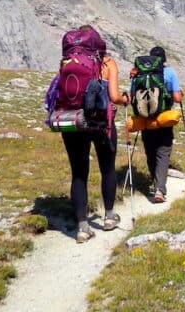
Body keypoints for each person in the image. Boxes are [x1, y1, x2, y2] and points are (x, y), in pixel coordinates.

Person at [61, 25, 130, 243]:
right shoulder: (107, 63)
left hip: (73, 121)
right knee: (107, 169)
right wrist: (125, 100)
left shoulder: (68, 61)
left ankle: (82, 228)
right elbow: (114, 96)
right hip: (101, 123)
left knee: (79, 173)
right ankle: (109, 218)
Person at [140, 46, 184, 203]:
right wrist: (180, 94)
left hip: (145, 118)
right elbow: (177, 98)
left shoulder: (141, 73)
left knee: (150, 151)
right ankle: (160, 189)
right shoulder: (170, 72)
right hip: (164, 118)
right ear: (164, 59)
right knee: (163, 152)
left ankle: (155, 182)